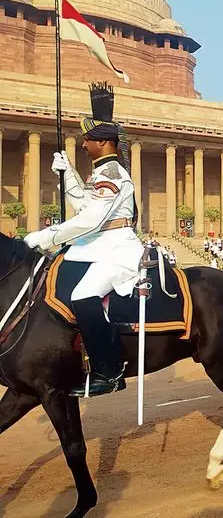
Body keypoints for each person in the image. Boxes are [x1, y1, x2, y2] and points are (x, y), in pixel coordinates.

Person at [23, 82, 142, 397]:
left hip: (116, 250)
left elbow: (92, 219)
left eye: (88, 139)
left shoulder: (114, 174)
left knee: (83, 296)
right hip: (98, 248)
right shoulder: (104, 173)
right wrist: (69, 176)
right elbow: (88, 205)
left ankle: (109, 370)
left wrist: (45, 236)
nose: (84, 143)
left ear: (103, 143)